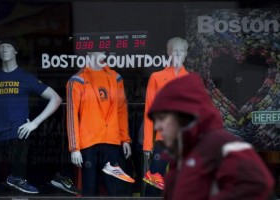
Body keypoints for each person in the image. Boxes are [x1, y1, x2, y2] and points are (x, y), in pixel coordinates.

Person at [147, 73, 275, 200]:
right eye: (155, 120)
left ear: (181, 115)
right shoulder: (179, 156)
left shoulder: (223, 144)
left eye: (162, 118)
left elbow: (259, 185)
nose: (157, 126)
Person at [0, 37, 62, 194]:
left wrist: (34, 123)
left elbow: (56, 99)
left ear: (15, 50)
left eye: (8, 46)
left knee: (20, 187)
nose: (4, 49)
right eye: (1, 46)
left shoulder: (25, 77)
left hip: (18, 137)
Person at [66, 52, 133, 196]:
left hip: (112, 141)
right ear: (89, 52)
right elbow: (72, 115)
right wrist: (74, 148)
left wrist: (125, 139)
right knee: (90, 188)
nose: (102, 53)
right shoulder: (77, 80)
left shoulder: (116, 78)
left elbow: (121, 109)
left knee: (116, 188)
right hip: (88, 143)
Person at [143, 37, 189, 196]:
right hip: (162, 140)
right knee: (153, 185)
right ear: (169, 53)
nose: (177, 55)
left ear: (185, 55)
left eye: (181, 52)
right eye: (174, 52)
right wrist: (147, 144)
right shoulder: (156, 77)